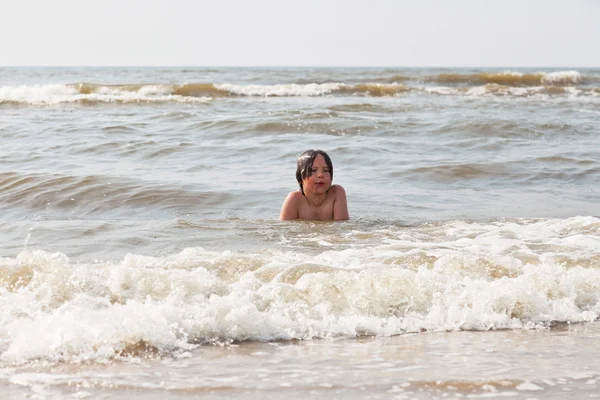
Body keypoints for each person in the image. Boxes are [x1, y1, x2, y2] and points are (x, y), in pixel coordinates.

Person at [280, 149, 349, 221]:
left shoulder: (336, 193)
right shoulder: (294, 199)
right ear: (301, 178)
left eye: (325, 170)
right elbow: (285, 229)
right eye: (313, 170)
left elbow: (342, 226)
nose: (320, 175)